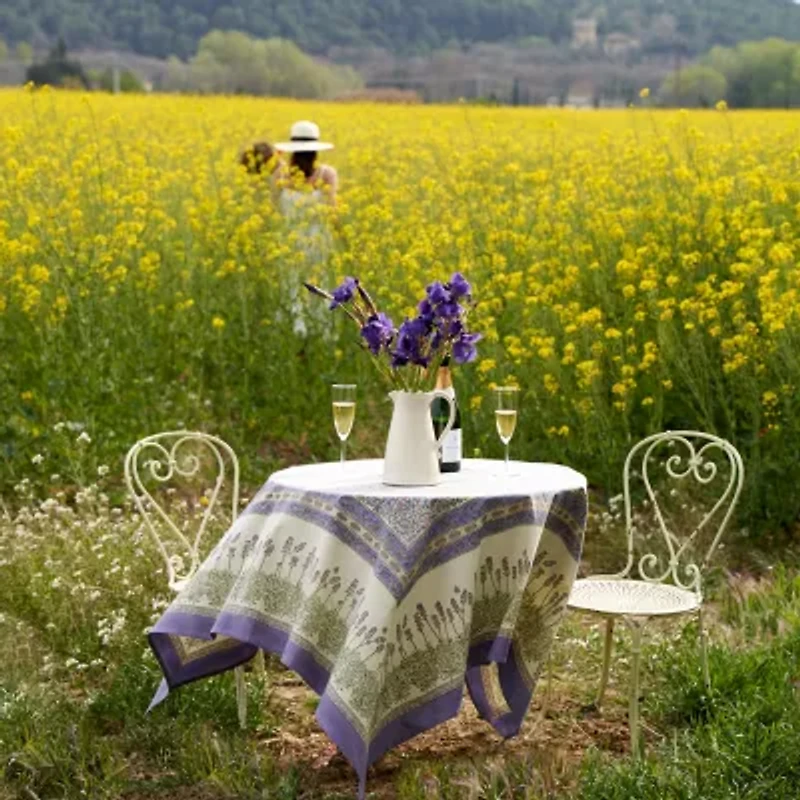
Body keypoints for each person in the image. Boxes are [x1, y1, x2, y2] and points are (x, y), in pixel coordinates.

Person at [274, 121, 338, 337]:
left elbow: (273, 211)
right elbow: (333, 213)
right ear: (315, 151)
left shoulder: (279, 175)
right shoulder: (327, 175)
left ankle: (295, 335)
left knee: (293, 286)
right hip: (318, 241)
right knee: (319, 289)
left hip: (290, 242)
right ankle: (322, 335)